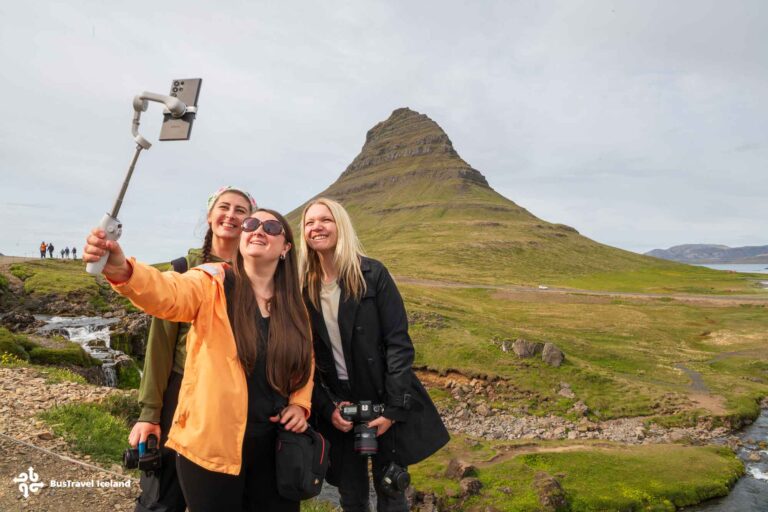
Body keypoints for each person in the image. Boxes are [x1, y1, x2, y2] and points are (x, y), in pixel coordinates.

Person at [83, 207, 314, 512]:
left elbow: (305, 358)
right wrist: (123, 270)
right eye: (251, 224)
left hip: (275, 447)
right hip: (210, 445)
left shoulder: (293, 304)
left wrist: (299, 403)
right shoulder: (212, 281)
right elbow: (168, 292)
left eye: (271, 227)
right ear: (242, 238)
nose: (258, 230)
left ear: (285, 248)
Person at [299, 198, 449, 512]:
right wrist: (329, 408)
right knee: (351, 496)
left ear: (340, 225)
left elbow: (398, 344)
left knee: (391, 490)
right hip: (341, 407)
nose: (317, 227)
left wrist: (393, 410)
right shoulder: (302, 287)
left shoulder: (372, 274)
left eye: (325, 220)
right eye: (309, 222)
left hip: (384, 399)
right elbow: (305, 358)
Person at [129, 186, 256, 512]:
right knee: (163, 495)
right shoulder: (183, 269)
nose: (231, 215)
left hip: (233, 400)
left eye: (240, 210)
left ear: (249, 221)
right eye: (224, 207)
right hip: (182, 392)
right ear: (210, 216)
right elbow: (159, 347)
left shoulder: (257, 273)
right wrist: (150, 413)